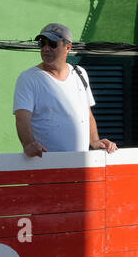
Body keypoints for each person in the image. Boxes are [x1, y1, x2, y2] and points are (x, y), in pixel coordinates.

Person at [13, 23, 117, 157]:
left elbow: (87, 113)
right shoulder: (28, 78)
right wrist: (28, 144)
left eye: (52, 44)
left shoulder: (80, 73)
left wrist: (95, 141)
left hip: (79, 163)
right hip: (46, 163)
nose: (46, 48)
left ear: (68, 47)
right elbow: (22, 118)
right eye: (42, 44)